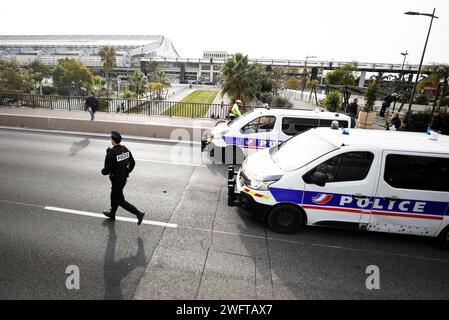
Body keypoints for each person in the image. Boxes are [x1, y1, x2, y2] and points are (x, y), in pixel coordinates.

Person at [102, 131, 145, 225]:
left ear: (113, 141)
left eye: (111, 139)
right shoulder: (125, 149)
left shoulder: (111, 153)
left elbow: (106, 171)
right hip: (123, 179)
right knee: (114, 196)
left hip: (116, 180)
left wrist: (103, 170)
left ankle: (138, 214)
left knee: (120, 200)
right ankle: (112, 214)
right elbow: (133, 163)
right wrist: (127, 172)